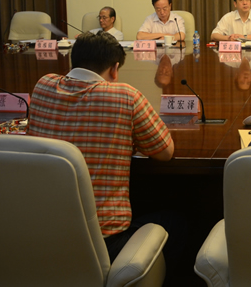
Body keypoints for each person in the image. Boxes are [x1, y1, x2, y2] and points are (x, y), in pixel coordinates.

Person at [27, 32, 175, 261]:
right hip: (103, 244)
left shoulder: (43, 86)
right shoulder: (126, 96)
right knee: (177, 221)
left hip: (43, 237)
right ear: (115, 69)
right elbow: (165, 152)